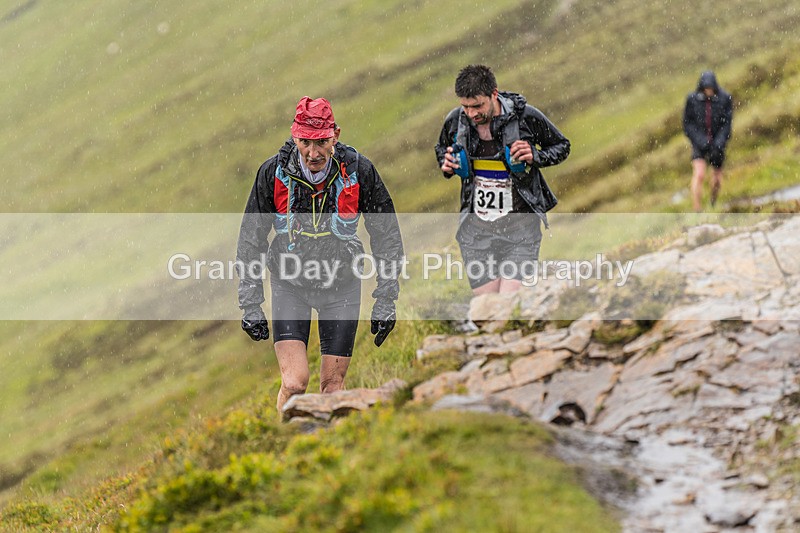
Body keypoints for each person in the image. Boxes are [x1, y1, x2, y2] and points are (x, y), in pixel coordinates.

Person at [236, 96, 404, 411]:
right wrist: (250, 303)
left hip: (342, 285)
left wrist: (386, 299)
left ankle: (325, 449)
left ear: (335, 135)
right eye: (305, 142)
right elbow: (251, 239)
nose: (313, 153)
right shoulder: (273, 173)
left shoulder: (358, 170)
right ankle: (286, 439)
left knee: (333, 387)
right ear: (293, 135)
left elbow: (386, 235)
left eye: (322, 142)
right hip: (290, 285)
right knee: (295, 382)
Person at [434, 65, 570, 294]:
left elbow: (562, 146)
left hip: (520, 228)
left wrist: (536, 155)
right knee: (485, 311)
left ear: (494, 94)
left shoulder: (525, 117)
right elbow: (442, 148)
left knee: (506, 305)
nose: (472, 113)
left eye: (478, 106)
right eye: (465, 106)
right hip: (476, 232)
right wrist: (446, 165)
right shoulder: (456, 121)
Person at [683, 70, 733, 211]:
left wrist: (719, 142)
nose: (709, 92)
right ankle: (697, 209)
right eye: (706, 89)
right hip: (699, 144)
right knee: (699, 174)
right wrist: (700, 140)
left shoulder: (725, 99)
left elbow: (727, 124)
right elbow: (687, 124)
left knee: (716, 179)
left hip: (717, 144)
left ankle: (712, 202)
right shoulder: (692, 100)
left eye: (711, 89)